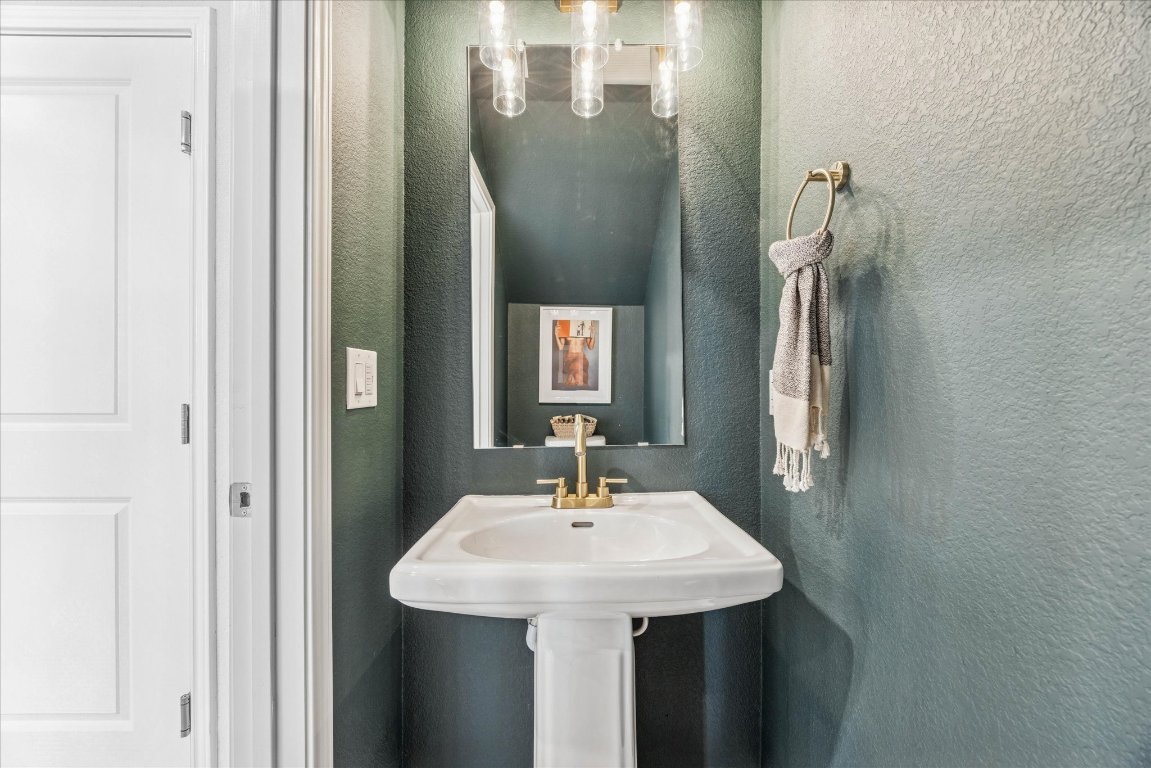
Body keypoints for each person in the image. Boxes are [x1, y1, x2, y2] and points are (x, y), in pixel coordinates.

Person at [554, 319, 597, 388]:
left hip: (581, 356)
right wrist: (556, 334)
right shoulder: (565, 324)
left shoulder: (585, 324)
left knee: (579, 378)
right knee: (573, 380)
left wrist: (593, 334)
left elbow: (591, 347)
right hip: (569, 357)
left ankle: (581, 392)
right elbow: (560, 347)